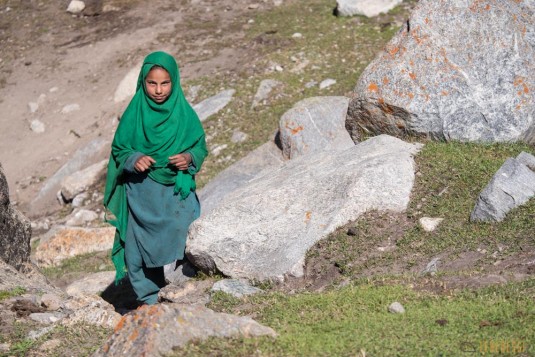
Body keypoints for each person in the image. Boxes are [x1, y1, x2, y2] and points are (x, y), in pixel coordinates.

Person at [103, 51, 208, 305]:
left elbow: (199, 146)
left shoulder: (184, 112)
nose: (159, 90)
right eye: (152, 83)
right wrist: (133, 158)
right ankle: (150, 299)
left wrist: (189, 158)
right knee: (138, 251)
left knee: (186, 234)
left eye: (165, 83)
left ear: (175, 81)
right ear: (143, 82)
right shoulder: (134, 112)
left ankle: (191, 286)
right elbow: (120, 148)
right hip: (142, 194)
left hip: (175, 193)